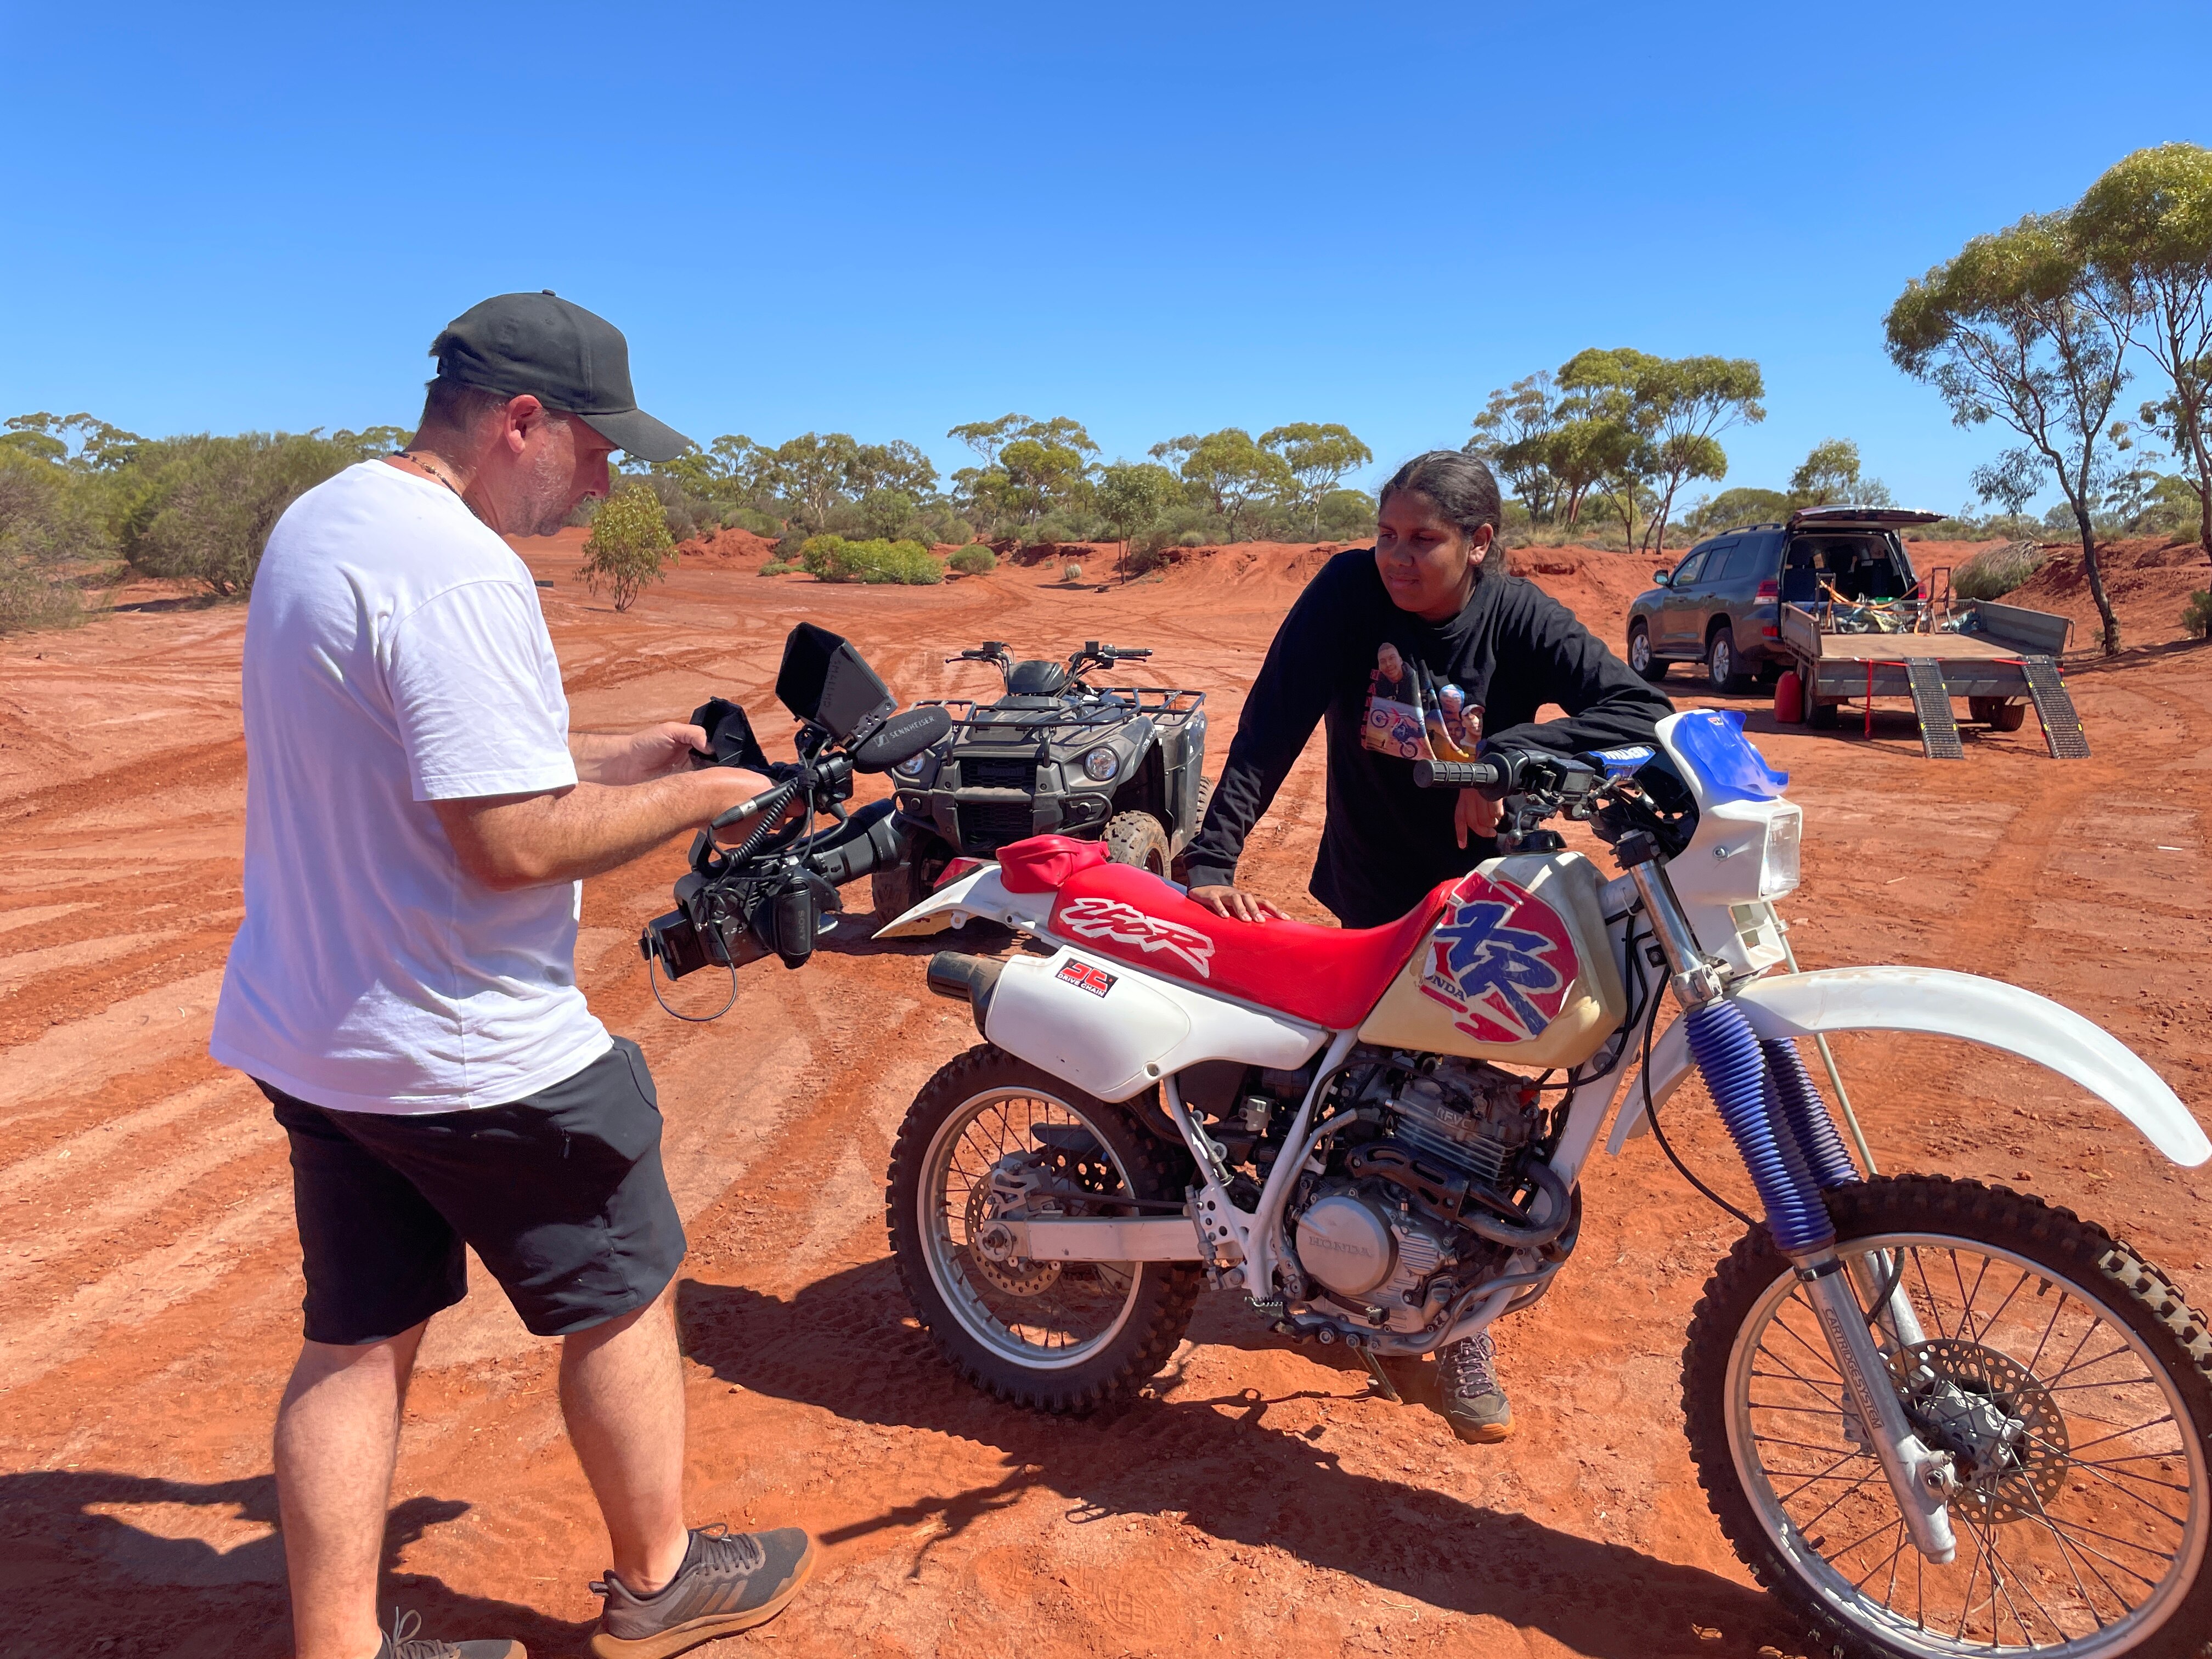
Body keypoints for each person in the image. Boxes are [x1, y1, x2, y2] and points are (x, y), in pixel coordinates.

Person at [210, 293, 814, 1659]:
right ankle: (664, 1583)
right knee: (626, 1289)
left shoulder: (326, 520)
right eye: (597, 449)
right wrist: (709, 795)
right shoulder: (463, 571)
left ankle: (337, 1647)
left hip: (319, 1029)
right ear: (522, 421)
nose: (605, 482)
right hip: (468, 1044)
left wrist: (618, 760)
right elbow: (508, 845)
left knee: (358, 1336)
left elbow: (431, 763)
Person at [1183, 449, 1672, 1444]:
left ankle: (1451, 1318)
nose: (1397, 558)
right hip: (1372, 886)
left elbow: (1639, 709)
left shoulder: (1516, 615)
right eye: (1386, 535)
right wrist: (1212, 856)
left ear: (1479, 543)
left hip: (1483, 903)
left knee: (1478, 1113)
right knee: (1361, 1088)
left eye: (1423, 539)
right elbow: (1272, 721)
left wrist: (1507, 759)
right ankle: (1343, 1263)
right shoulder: (1347, 595)